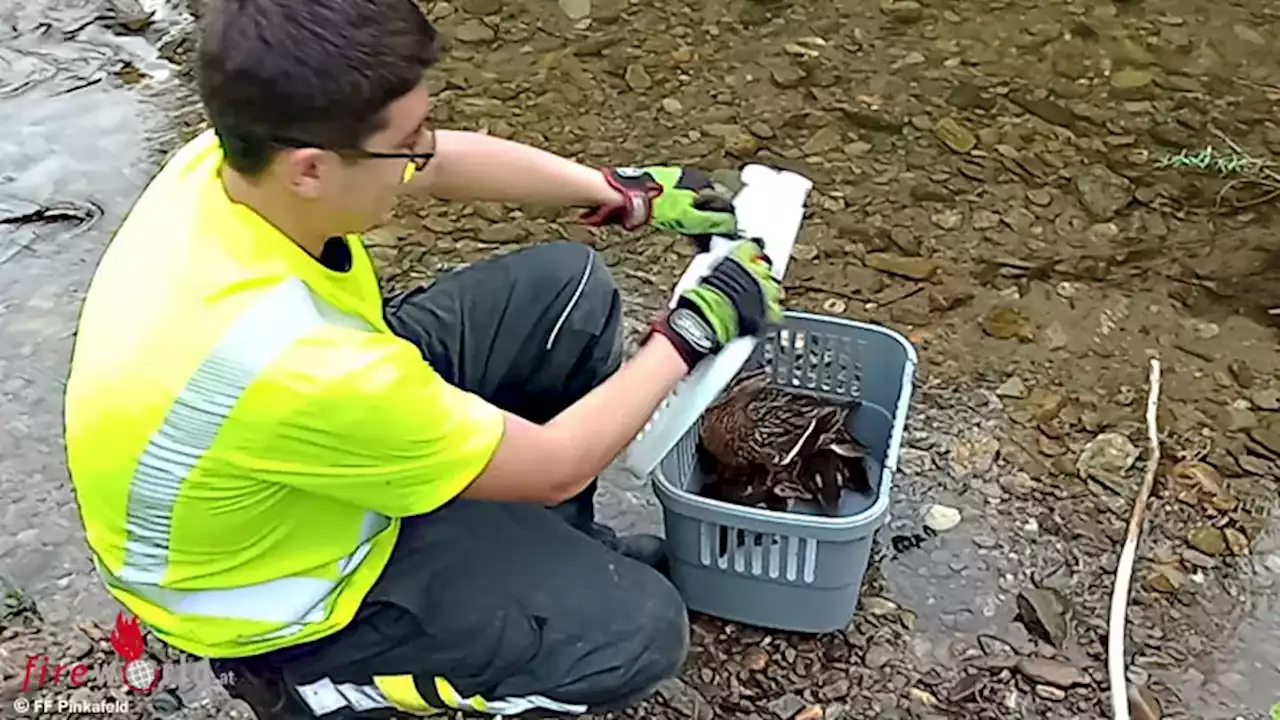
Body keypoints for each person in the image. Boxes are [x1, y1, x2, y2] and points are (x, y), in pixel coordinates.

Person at [62, 0, 783, 717]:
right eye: (405, 140)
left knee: (568, 295)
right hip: (285, 590)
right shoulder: (294, 363)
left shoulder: (232, 162)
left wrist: (623, 194)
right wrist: (690, 332)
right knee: (640, 633)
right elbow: (558, 461)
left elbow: (439, 164)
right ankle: (322, 689)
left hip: (300, 452)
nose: (421, 151)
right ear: (310, 170)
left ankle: (553, 557)